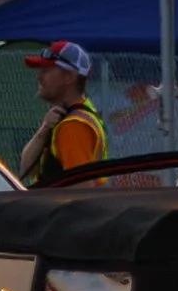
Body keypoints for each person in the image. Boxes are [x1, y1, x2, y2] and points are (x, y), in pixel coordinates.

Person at [17, 42, 109, 187]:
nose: (39, 77)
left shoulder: (74, 125)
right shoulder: (74, 114)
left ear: (68, 77)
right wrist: (43, 130)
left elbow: (80, 190)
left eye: (46, 70)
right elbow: (26, 169)